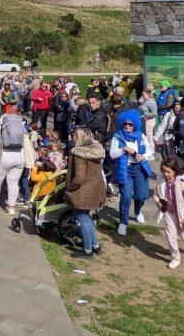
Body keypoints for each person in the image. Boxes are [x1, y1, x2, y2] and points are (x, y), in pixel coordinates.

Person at [0, 106, 34, 214]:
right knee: (13, 182)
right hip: (20, 155)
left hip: (4, 155)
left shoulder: (1, 122)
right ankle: (11, 207)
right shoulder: (20, 124)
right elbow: (27, 140)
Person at [64, 127, 106, 259]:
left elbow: (79, 177)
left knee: (82, 218)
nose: (72, 137)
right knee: (87, 217)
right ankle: (95, 246)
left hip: (83, 192)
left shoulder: (79, 154)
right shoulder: (96, 151)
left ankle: (87, 251)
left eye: (74, 136)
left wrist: (69, 187)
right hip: (95, 189)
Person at [110, 111, 152, 235]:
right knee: (126, 197)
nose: (127, 126)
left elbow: (150, 150)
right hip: (125, 170)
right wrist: (123, 149)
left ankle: (138, 211)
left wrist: (143, 156)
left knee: (141, 196)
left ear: (135, 125)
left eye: (130, 124)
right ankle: (123, 222)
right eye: (125, 124)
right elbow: (112, 154)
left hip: (140, 169)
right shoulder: (117, 136)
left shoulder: (141, 136)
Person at [154, 157, 184, 269]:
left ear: (175, 170)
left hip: (182, 214)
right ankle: (175, 258)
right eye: (163, 171)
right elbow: (156, 195)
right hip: (168, 212)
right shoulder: (160, 179)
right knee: (170, 235)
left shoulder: (183, 182)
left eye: (168, 171)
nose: (165, 174)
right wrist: (158, 202)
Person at [138, 89, 158, 154]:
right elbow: (140, 101)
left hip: (149, 121)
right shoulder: (145, 101)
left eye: (143, 94)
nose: (142, 95)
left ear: (148, 95)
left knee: (149, 137)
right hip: (145, 121)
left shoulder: (151, 102)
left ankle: (151, 153)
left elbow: (154, 113)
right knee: (146, 137)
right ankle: (147, 151)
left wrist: (145, 115)